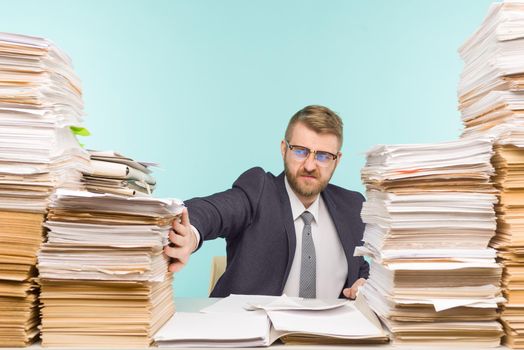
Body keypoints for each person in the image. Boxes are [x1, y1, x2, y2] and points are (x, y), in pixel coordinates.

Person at [164, 105, 369, 299]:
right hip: (254, 332)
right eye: (300, 151)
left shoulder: (352, 207)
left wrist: (367, 287)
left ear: (337, 160)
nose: (309, 165)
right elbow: (214, 211)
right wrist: (190, 234)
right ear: (284, 149)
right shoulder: (258, 190)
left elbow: (362, 271)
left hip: (327, 335)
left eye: (323, 156)